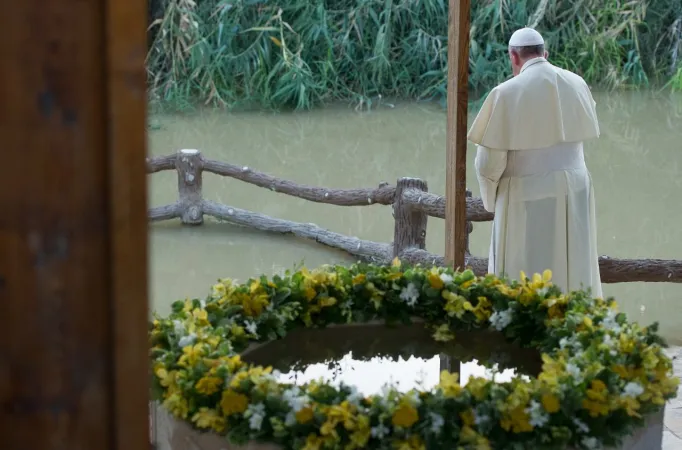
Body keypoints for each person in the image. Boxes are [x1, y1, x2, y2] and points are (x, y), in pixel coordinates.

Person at [467, 27, 603, 297]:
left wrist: (491, 198)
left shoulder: (505, 93)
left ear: (513, 57)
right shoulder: (577, 82)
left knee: (525, 267)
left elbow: (487, 164)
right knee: (572, 263)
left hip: (525, 195)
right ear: (545, 53)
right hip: (575, 189)